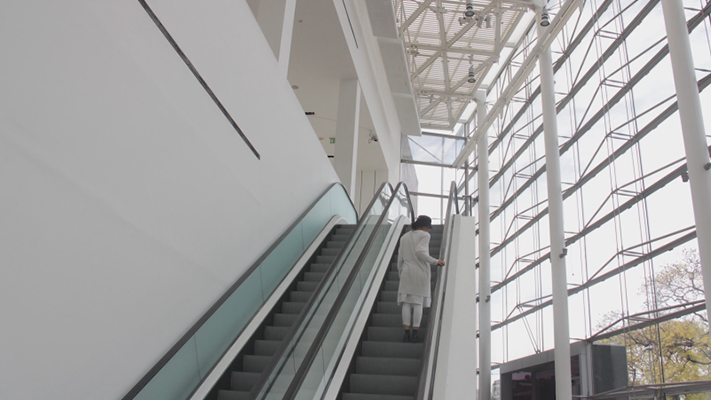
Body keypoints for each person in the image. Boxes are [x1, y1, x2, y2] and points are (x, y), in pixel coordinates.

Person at [397, 215, 445, 343]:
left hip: (406, 271)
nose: (428, 230)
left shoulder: (404, 237)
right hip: (420, 271)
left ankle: (406, 333)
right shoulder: (425, 235)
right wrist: (436, 261)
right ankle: (415, 334)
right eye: (428, 227)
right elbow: (420, 252)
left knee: (406, 302)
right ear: (423, 226)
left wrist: (401, 272)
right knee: (417, 302)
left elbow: (400, 258)